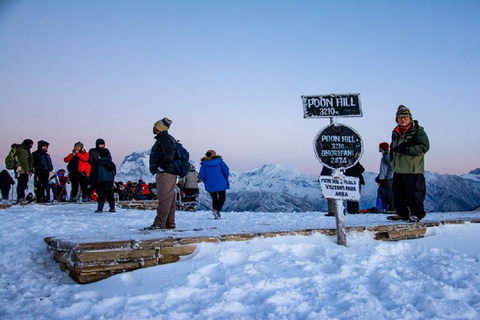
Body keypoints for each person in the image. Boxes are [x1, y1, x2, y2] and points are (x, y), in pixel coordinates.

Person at [387, 105, 430, 222]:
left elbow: (424, 146)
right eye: (400, 117)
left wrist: (407, 150)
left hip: (413, 168)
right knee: (398, 194)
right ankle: (402, 213)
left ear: (410, 118)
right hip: (398, 168)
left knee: (415, 194)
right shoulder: (395, 132)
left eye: (405, 117)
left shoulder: (418, 131)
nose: (402, 119)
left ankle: (417, 214)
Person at [147, 117, 178, 229]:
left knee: (164, 198)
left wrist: (161, 167)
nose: (153, 128)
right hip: (169, 171)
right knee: (169, 198)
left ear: (159, 128)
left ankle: (159, 223)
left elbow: (169, 155)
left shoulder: (164, 139)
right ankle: (169, 223)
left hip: (166, 172)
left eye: (155, 127)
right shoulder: (166, 139)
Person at [199, 150, 230, 219]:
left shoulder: (204, 164)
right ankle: (217, 210)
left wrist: (206, 181)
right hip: (220, 182)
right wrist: (224, 178)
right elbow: (226, 170)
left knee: (214, 198)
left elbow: (201, 175)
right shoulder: (219, 162)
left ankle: (216, 213)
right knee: (222, 198)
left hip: (210, 183)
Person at [89, 149, 117, 213]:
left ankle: (100, 209)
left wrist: (91, 181)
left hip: (99, 181)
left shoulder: (97, 163)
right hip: (109, 181)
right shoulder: (111, 163)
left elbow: (93, 173)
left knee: (101, 195)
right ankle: (112, 208)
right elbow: (114, 172)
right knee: (110, 194)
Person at [377, 142, 394, 212]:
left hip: (387, 179)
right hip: (385, 178)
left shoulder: (386, 156)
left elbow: (391, 166)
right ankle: (390, 207)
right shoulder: (385, 156)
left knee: (389, 193)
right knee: (387, 193)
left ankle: (393, 208)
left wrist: (388, 176)